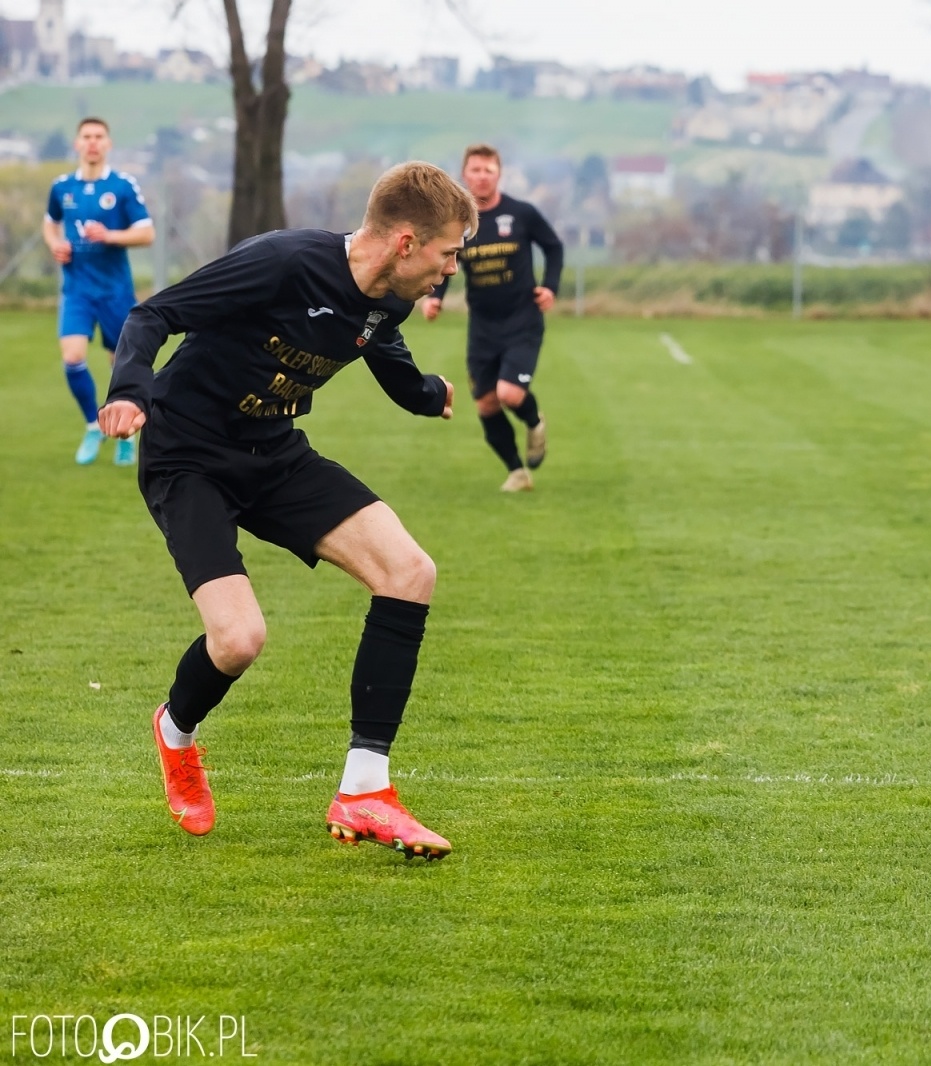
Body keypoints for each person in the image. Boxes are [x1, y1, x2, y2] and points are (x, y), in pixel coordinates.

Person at [99, 162, 475, 859]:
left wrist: (430, 393)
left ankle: (365, 792)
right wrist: (130, 390)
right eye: (448, 253)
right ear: (404, 242)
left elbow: (387, 359)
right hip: (189, 456)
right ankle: (176, 734)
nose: (449, 271)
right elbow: (154, 314)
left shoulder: (386, 297)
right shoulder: (281, 263)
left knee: (409, 571)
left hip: (272, 453)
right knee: (239, 640)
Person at [421, 144, 563, 492]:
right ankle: (517, 471)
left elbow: (554, 247)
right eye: (475, 170)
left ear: (498, 174)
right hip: (482, 327)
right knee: (486, 404)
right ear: (464, 175)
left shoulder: (521, 213)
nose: (482, 176)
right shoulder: (459, 223)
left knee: (510, 394)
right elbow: (444, 260)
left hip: (522, 320)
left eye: (488, 170)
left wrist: (550, 287)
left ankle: (534, 421)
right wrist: (434, 297)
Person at [43, 117, 154, 465]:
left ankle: (127, 436)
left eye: (99, 137)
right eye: (86, 137)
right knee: (73, 357)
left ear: (108, 144)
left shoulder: (121, 185)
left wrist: (110, 236)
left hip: (115, 292)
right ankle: (94, 424)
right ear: (77, 144)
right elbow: (50, 222)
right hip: (76, 290)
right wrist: (55, 244)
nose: (92, 142)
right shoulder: (62, 187)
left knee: (120, 366)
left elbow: (146, 233)